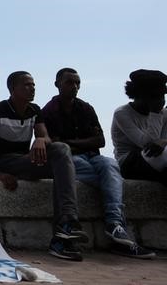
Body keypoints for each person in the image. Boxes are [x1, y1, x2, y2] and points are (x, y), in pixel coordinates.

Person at [0, 71, 89, 261]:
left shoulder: (34, 110)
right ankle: (64, 231)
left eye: (33, 85)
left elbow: (45, 136)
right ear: (12, 88)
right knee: (62, 162)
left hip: (24, 161)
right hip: (5, 162)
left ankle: (65, 228)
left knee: (61, 151)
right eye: (26, 85)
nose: (32, 88)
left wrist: (40, 139)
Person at [42, 68, 154, 258]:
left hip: (92, 156)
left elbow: (100, 141)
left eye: (77, 83)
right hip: (70, 161)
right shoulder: (48, 112)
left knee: (110, 165)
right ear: (57, 84)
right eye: (70, 82)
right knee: (110, 178)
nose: (75, 87)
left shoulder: (86, 108)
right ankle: (117, 227)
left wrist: (70, 143)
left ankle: (114, 224)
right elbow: (56, 146)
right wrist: (81, 143)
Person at [111, 69, 167, 186]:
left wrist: (163, 141)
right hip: (130, 162)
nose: (162, 101)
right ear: (141, 95)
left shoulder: (163, 112)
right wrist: (155, 113)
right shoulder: (122, 113)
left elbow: (160, 143)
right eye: (157, 96)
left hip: (158, 158)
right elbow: (148, 144)